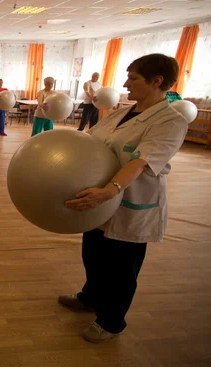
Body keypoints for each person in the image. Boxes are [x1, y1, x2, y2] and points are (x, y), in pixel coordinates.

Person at [62, 54, 188, 343]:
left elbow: (142, 161)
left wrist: (110, 190)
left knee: (121, 268)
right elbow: (92, 141)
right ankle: (89, 297)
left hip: (129, 200)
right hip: (99, 198)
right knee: (93, 254)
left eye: (133, 78)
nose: (125, 83)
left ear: (157, 81)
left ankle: (111, 321)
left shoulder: (171, 121)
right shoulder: (122, 112)